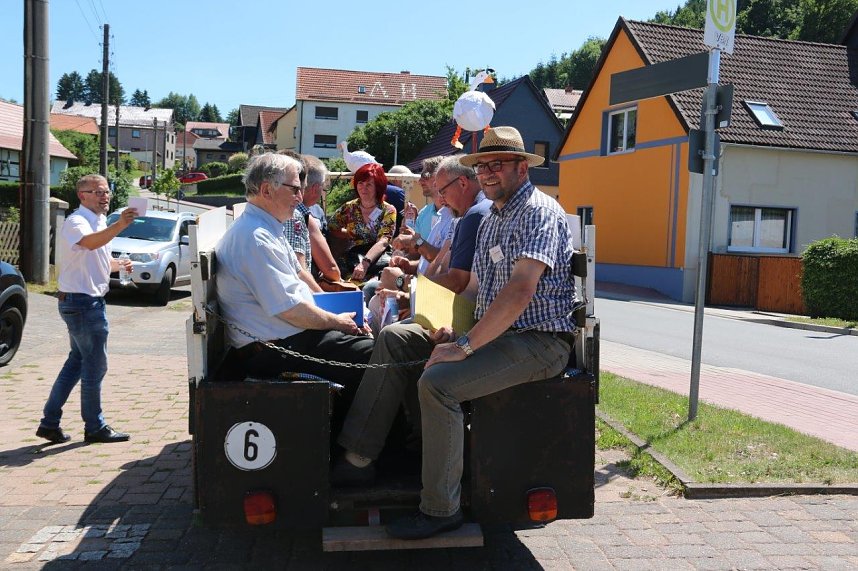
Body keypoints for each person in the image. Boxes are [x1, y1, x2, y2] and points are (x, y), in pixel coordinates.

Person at [336, 127, 577, 540]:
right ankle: (358, 459)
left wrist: (465, 345)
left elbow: (520, 292)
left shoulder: (540, 211)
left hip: (538, 342)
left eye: (496, 165)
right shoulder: (493, 217)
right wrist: (453, 327)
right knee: (395, 337)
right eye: (482, 165)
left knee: (438, 384)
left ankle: (440, 509)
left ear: (523, 167)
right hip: (498, 333)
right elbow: (475, 288)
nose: (486, 173)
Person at [215, 153, 374, 419]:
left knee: (371, 344)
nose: (300, 198)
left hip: (284, 340)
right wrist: (338, 322)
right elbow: (290, 309)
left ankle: (356, 442)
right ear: (267, 190)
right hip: (273, 350)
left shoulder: (265, 228)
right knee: (376, 356)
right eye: (295, 189)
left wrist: (338, 314)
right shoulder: (255, 237)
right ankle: (362, 449)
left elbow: (299, 279)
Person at [36, 174, 139, 444]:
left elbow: (96, 258)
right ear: (82, 195)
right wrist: (120, 225)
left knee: (77, 363)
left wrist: (119, 264)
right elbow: (90, 243)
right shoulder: (76, 221)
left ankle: (49, 423)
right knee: (95, 366)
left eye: (107, 191)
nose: (105, 196)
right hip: (83, 304)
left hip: (84, 302)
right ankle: (95, 426)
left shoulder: (99, 221)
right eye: (98, 192)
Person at [328, 163, 396, 282]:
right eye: (360, 183)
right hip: (353, 257)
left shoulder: (388, 210)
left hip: (377, 260)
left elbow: (384, 241)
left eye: (369, 184)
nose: (363, 188)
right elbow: (332, 227)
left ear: (378, 187)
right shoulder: (349, 208)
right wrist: (348, 234)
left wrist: (365, 263)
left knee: (372, 284)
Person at [300, 155, 342, 283]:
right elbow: (330, 269)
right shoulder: (302, 215)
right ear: (315, 188)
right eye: (323, 188)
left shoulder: (317, 210)